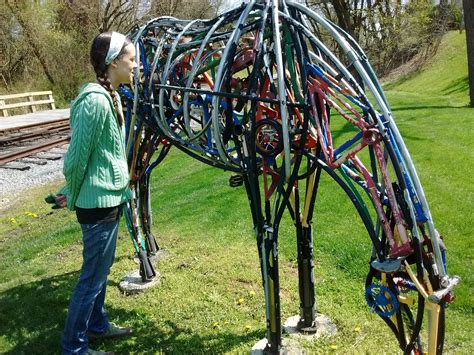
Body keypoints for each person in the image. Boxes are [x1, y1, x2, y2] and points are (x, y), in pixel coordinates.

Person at [58, 31, 137, 355]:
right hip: (96, 204)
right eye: (131, 60)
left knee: (100, 274)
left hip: (111, 199)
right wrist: (72, 196)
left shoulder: (112, 96)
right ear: (113, 62)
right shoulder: (93, 101)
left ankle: (97, 325)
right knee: (90, 279)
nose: (136, 66)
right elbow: (76, 159)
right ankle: (73, 347)